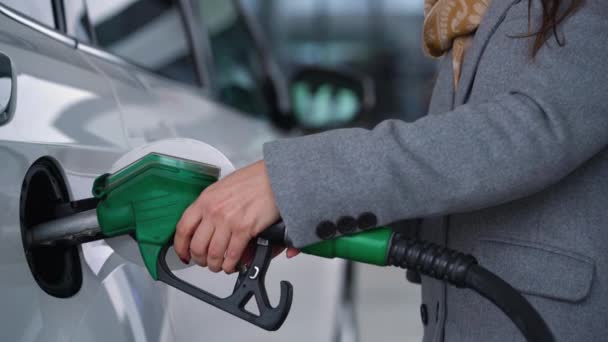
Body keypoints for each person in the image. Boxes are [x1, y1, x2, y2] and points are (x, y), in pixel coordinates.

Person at [174, 0, 608, 340]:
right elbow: (460, 179)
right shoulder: (461, 16)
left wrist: (294, 180)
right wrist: (303, 210)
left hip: (548, 320)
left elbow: (522, 133)